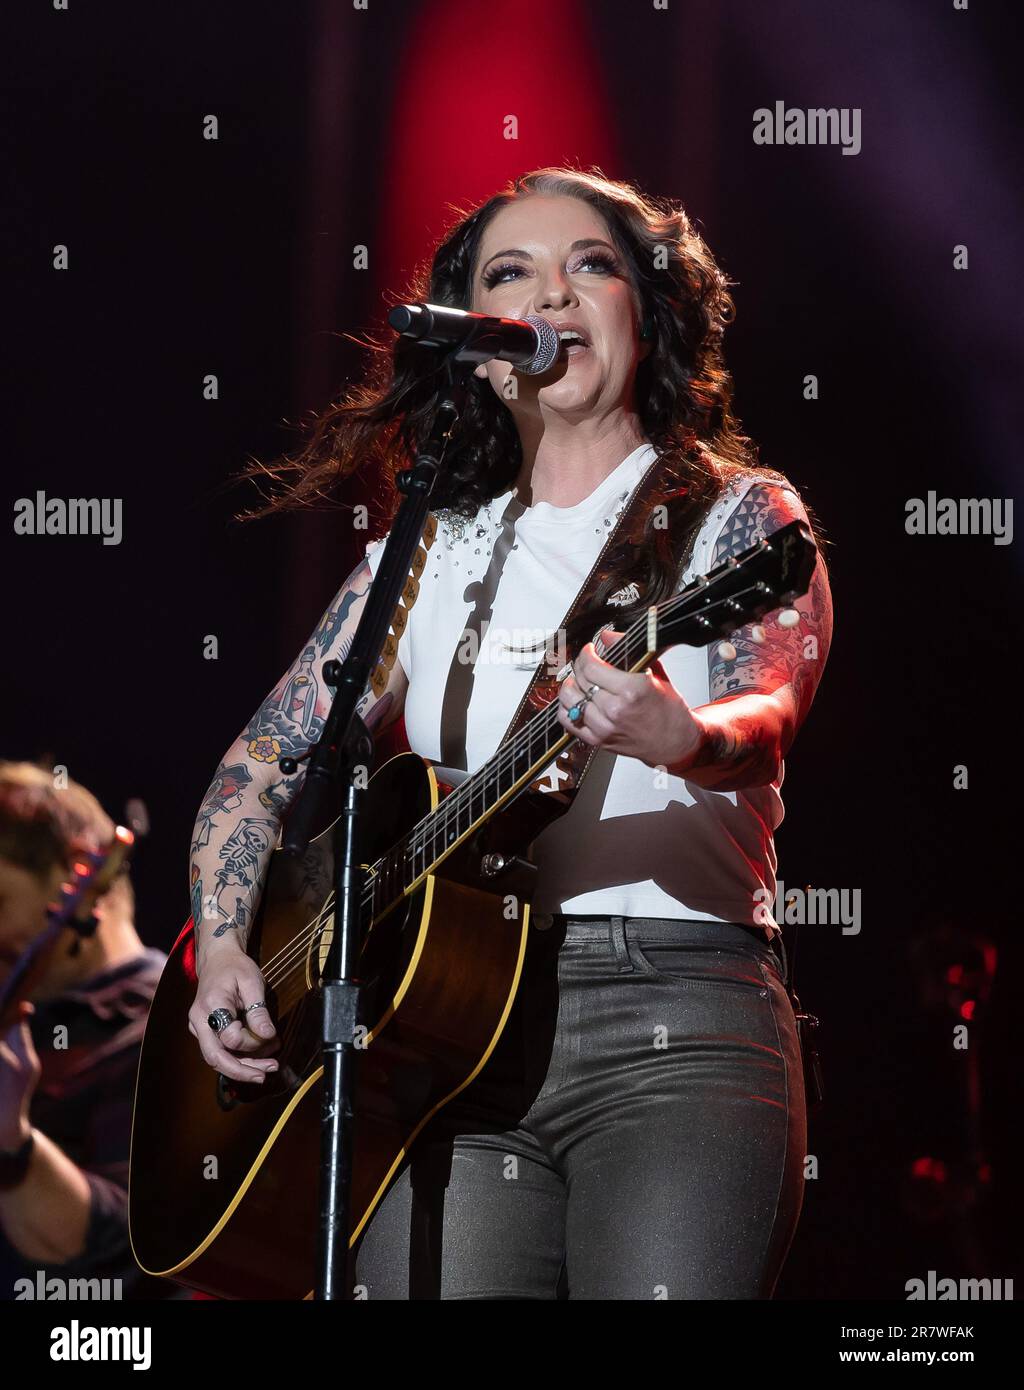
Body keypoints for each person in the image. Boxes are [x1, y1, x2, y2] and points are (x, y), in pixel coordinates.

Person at [187, 166, 833, 1299]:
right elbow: (262, 761)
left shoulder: (736, 513)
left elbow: (765, 713)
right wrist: (226, 947)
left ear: (647, 312)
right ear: (483, 348)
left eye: (592, 266)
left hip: (671, 1014)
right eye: (511, 274)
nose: (552, 295)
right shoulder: (433, 546)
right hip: (443, 1033)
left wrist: (680, 736)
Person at [0, 762, 175, 1299]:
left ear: (77, 870)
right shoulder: (31, 1023)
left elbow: (135, 1244)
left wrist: (10, 1141)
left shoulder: (171, 1027)